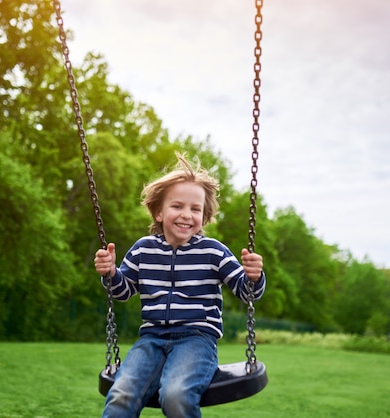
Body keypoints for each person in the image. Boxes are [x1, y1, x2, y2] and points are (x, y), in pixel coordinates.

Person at [94, 153, 265, 418]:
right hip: (151, 340)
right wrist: (110, 272)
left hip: (196, 340)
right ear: (159, 212)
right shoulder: (143, 249)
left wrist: (253, 276)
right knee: (121, 395)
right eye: (177, 206)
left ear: (204, 216)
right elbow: (121, 291)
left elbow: (246, 293)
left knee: (175, 396)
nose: (186, 215)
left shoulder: (214, 252)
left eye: (195, 209)